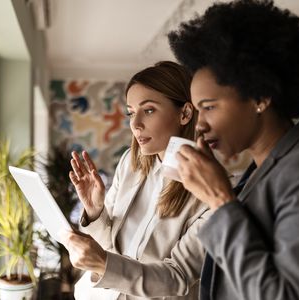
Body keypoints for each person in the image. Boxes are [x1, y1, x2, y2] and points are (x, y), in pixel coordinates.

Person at [168, 1, 299, 299]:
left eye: (209, 107)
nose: (200, 125)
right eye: (197, 110)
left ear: (260, 97)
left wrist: (220, 201)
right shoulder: (256, 174)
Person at [63, 61, 210, 300]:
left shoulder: (212, 190)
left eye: (148, 110)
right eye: (131, 112)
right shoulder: (130, 163)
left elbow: (178, 278)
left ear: (185, 113)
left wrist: (104, 264)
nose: (135, 123)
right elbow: (107, 244)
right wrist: (95, 212)